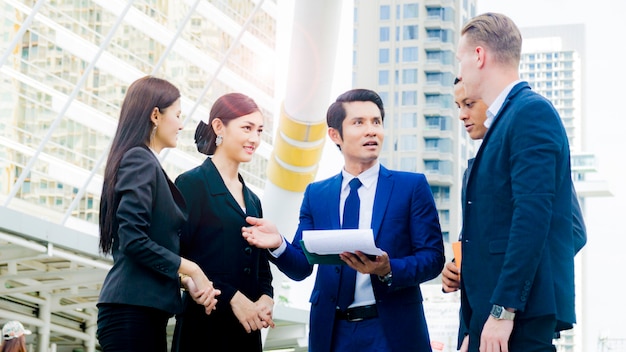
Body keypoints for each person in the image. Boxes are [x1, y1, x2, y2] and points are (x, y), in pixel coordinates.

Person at [242, 88, 445, 352]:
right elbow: (302, 266)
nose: (371, 130)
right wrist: (278, 243)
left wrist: (388, 269)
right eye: (359, 122)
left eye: (376, 122)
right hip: (332, 333)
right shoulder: (317, 194)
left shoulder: (411, 187)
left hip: (392, 331)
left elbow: (432, 258)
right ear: (335, 134)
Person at [455, 13, 581, 351]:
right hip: (491, 317)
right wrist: (471, 325)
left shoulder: (530, 113)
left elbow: (532, 216)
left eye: (461, 58)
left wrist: (503, 310)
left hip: (514, 320)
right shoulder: (503, 122)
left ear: (479, 56)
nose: (461, 70)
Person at [96, 76, 219, 352]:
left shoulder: (141, 161)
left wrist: (185, 281)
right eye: (177, 115)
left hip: (141, 313)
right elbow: (133, 239)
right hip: (131, 314)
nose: (181, 124)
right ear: (155, 115)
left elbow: (146, 250)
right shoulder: (139, 159)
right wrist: (192, 268)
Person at [171, 93, 274, 352]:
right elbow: (177, 258)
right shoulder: (192, 184)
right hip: (204, 328)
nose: (255, 139)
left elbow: (261, 268)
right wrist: (232, 297)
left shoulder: (253, 200)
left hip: (246, 331)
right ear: (219, 127)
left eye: (259, 130)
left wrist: (266, 298)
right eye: (247, 128)